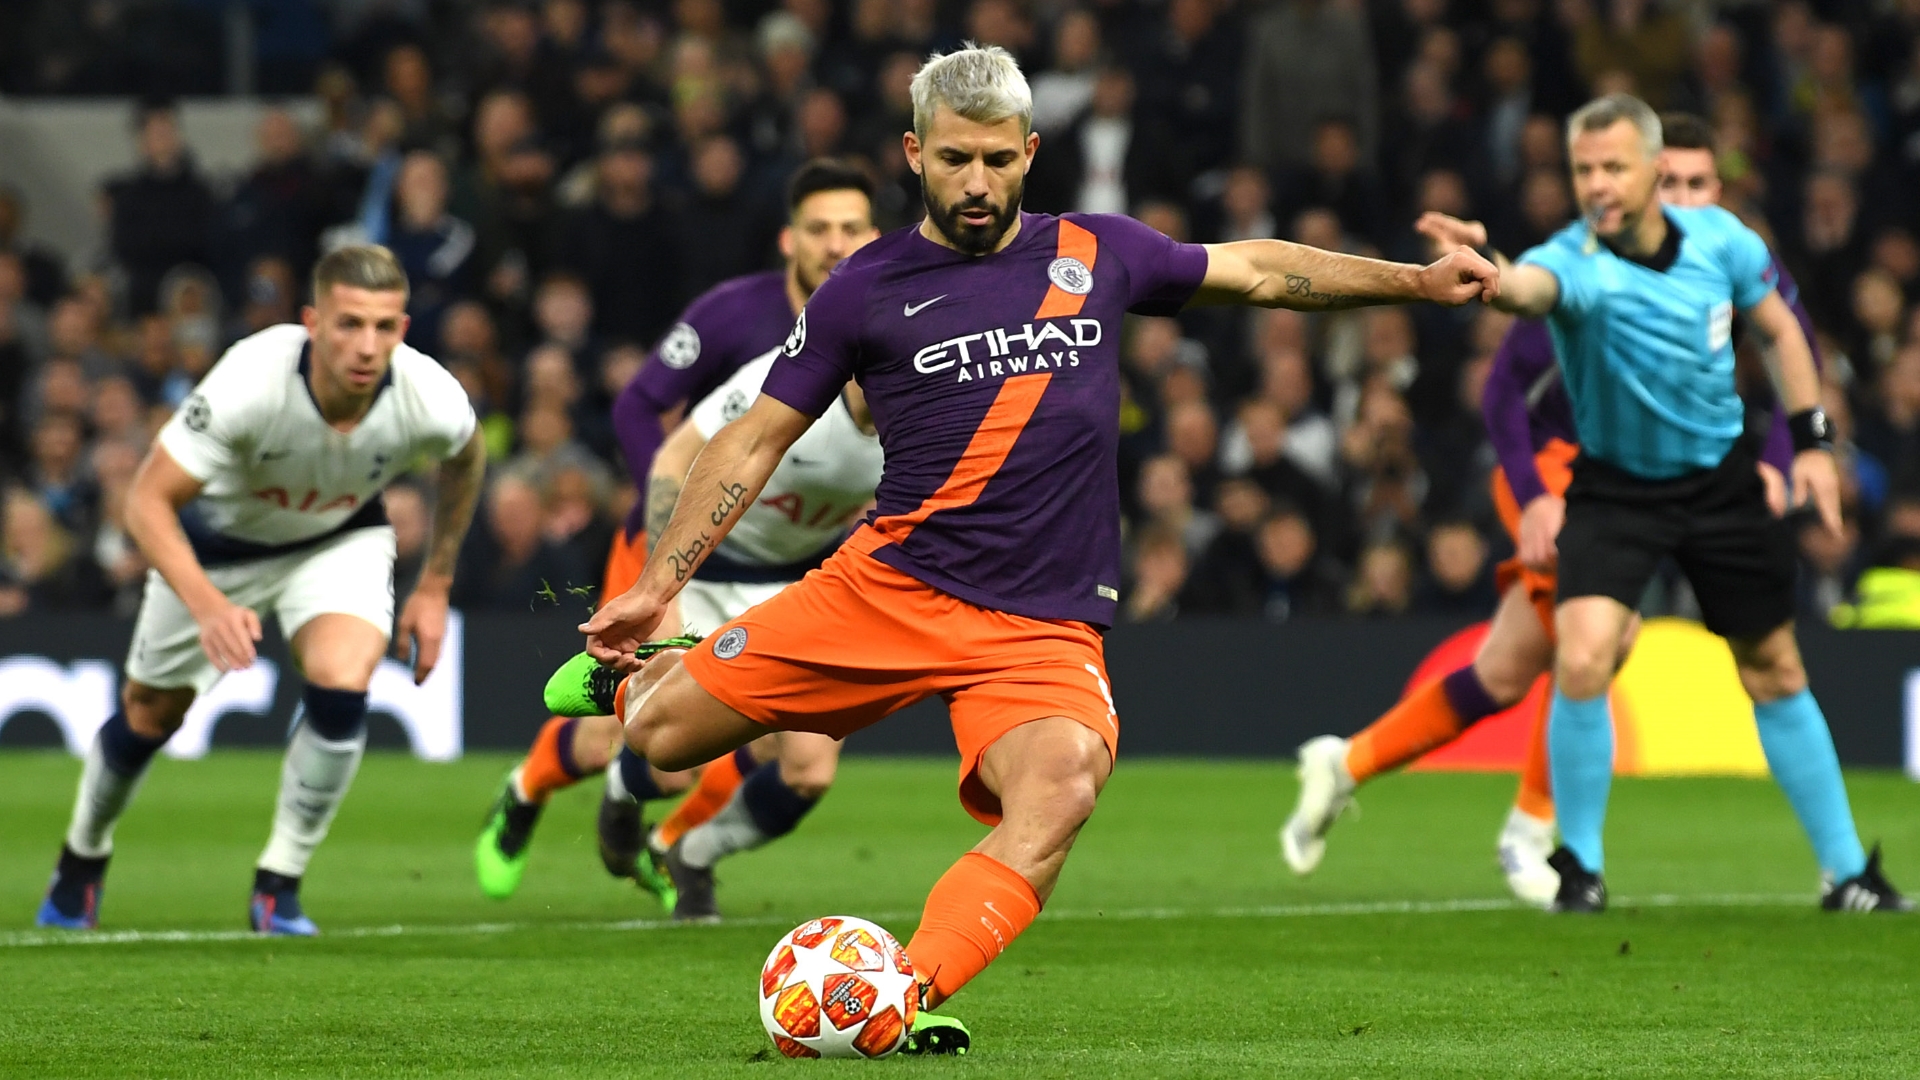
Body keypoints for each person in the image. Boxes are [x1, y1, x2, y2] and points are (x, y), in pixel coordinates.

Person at [574, 45, 1496, 1053]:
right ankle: (649, 686)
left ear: (1031, 152)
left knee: (1062, 790)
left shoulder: (1099, 252)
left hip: (1039, 626)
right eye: (955, 160)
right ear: (914, 154)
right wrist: (658, 585)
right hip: (888, 589)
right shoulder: (863, 287)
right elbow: (750, 440)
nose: (977, 183)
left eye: (999, 160)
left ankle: (899, 996)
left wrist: (1416, 281)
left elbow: (1262, 271)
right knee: (659, 737)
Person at [1281, 112, 1827, 908]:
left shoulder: (1728, 253)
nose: (1681, 195)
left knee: (1505, 672)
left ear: (1719, 189)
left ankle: (1345, 763)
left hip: (1650, 476)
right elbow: (1506, 386)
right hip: (1561, 469)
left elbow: (1790, 346)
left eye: (1698, 183)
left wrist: (1783, 459)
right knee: (1604, 636)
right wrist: (1534, 496)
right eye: (1669, 181)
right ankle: (1532, 831)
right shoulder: (1589, 264)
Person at [1419, 94, 1907, 914]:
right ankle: (1579, 867)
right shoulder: (1572, 260)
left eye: (1614, 166)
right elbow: (1525, 290)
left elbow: (1783, 332)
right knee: (1583, 656)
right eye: (1584, 169)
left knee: (1775, 667)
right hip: (1616, 487)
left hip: (1717, 482)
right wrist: (1491, 268)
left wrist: (1811, 444)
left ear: (1652, 169)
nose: (1598, 184)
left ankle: (1847, 871)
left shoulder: (1724, 242)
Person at [34, 245, 486, 934]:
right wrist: (209, 606)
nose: (368, 346)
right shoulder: (250, 380)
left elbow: (466, 461)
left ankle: (279, 884)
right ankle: (82, 858)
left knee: (343, 680)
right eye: (349, 324)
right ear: (313, 322)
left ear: (403, 327)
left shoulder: (430, 395)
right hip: (219, 551)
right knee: (150, 716)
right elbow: (146, 501)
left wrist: (437, 583)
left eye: (384, 327)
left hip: (338, 537)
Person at [477, 160, 879, 905]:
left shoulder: (897, 345)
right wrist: (670, 555)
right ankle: (525, 791)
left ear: (874, 236)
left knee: (785, 754)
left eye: (851, 228)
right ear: (789, 238)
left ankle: (673, 852)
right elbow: (640, 410)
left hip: (789, 566)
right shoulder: (737, 318)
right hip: (678, 546)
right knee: (638, 738)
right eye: (819, 228)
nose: (835, 243)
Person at [531, 346, 883, 921]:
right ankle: (619, 794)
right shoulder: (788, 375)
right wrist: (661, 588)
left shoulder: (926, 412)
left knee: (808, 771)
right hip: (703, 570)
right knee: (673, 761)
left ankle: (690, 855)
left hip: (794, 583)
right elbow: (674, 459)